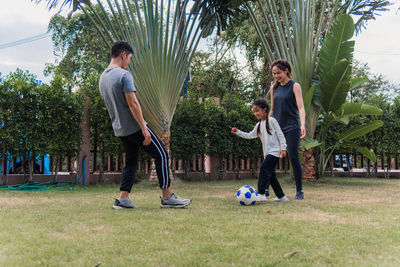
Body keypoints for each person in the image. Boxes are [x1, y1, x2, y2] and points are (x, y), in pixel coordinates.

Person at [99, 41, 191, 209]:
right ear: (123, 55)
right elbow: (133, 103)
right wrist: (144, 128)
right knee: (162, 154)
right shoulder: (123, 75)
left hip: (120, 129)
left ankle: (123, 199)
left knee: (131, 161)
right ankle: (167, 197)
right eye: (129, 58)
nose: (129, 62)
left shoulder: (103, 77)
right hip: (135, 127)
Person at [232, 99, 288, 202]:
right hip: (268, 154)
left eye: (257, 110)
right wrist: (237, 132)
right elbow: (249, 135)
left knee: (263, 169)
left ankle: (261, 194)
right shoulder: (259, 125)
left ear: (265, 110)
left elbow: (280, 135)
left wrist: (283, 148)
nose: (255, 113)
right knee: (271, 177)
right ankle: (282, 197)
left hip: (275, 152)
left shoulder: (272, 121)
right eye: (254, 111)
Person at [269, 59, 306, 200]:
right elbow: (272, 110)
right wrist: (265, 124)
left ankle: (299, 191)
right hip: (277, 128)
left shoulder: (294, 86)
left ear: (286, 71)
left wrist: (302, 125)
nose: (276, 76)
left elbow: (301, 107)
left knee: (293, 156)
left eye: (278, 73)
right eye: (274, 74)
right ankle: (267, 189)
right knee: (270, 157)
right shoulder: (274, 88)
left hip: (292, 127)